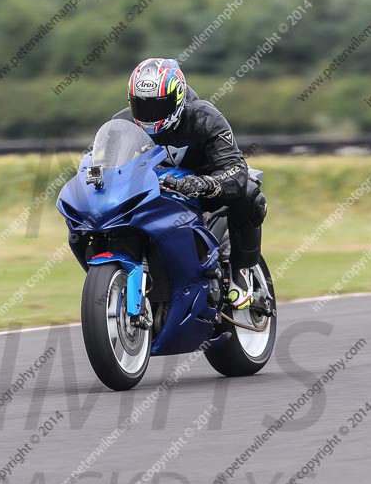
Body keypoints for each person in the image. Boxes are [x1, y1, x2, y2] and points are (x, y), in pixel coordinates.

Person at [113, 57, 267, 309]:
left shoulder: (205, 117)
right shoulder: (123, 122)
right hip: (153, 193)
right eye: (141, 105)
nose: (149, 114)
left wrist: (205, 184)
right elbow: (107, 164)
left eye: (158, 105)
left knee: (250, 193)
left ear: (177, 98)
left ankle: (242, 270)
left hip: (205, 191)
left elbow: (235, 169)